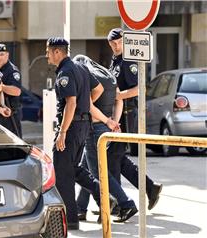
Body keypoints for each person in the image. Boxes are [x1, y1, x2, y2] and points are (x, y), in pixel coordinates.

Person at [46, 37, 119, 230]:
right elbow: (99, 89)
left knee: (62, 173)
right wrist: (85, 106)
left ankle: (70, 220)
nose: (47, 55)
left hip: (71, 127)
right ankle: (103, 195)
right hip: (84, 125)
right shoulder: (80, 68)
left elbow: (70, 102)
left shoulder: (66, 71)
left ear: (57, 52)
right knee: (73, 168)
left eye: (48, 51)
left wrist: (62, 132)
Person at [74, 55, 138, 223]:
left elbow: (88, 106)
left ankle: (125, 203)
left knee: (98, 173)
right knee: (85, 168)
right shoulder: (107, 75)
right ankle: (80, 207)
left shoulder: (85, 76)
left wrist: (107, 121)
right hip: (105, 130)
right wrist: (114, 122)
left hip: (95, 129)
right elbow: (119, 100)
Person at [108, 28, 162, 210]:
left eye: (119, 42)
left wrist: (118, 97)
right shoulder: (115, 61)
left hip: (127, 113)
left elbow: (139, 89)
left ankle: (117, 204)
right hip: (117, 113)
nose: (116, 46)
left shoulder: (128, 60)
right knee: (118, 158)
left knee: (113, 157)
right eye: (112, 43)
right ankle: (149, 188)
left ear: (125, 41)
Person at [0, 44, 23, 137]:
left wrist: (1, 86)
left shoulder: (12, 71)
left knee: (14, 143)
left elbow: (16, 91)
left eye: (2, 54)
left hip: (10, 115)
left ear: (7, 55)